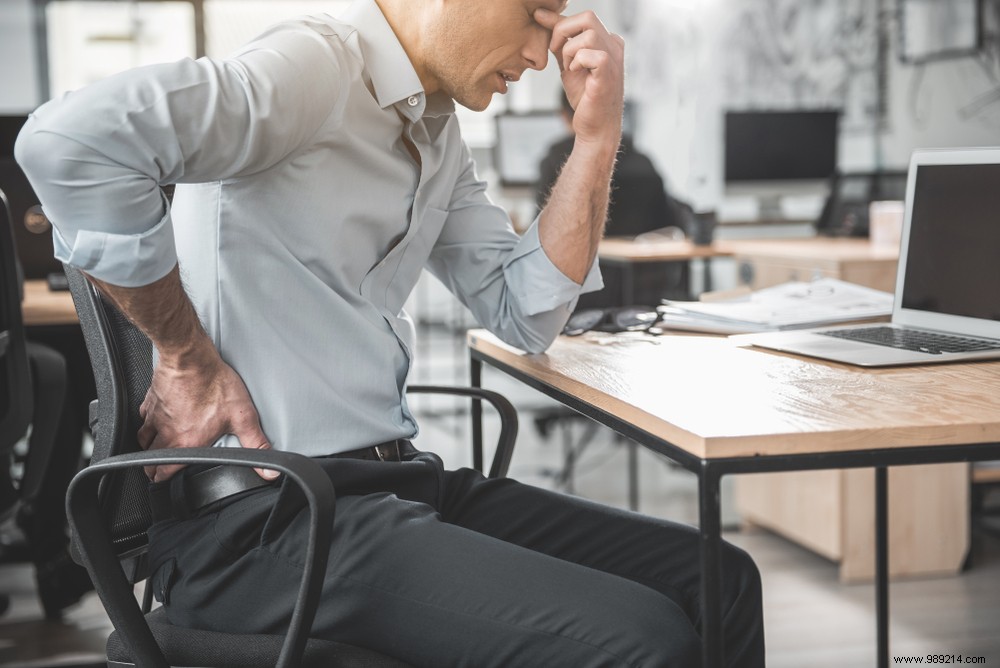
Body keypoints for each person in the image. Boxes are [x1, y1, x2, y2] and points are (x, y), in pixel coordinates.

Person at [16, 0, 764, 665]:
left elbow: (526, 310)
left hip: (388, 485)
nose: (542, 54)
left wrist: (596, 140)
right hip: (266, 522)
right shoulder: (312, 68)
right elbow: (68, 141)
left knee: (721, 580)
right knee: (644, 640)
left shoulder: (436, 135)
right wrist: (184, 356)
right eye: (535, 12)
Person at [536, 91, 692, 309]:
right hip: (646, 296)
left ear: (564, 115)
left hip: (583, 296)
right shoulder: (642, 160)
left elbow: (543, 234)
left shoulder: (557, 158)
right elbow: (670, 221)